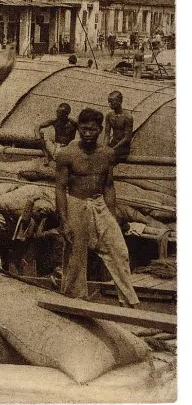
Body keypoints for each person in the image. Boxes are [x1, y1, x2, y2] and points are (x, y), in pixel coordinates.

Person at [55, 108, 139, 308]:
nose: (87, 133)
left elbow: (108, 186)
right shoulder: (66, 154)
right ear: (78, 128)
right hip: (76, 202)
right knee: (75, 254)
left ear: (100, 130)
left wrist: (113, 216)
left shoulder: (108, 154)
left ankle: (128, 301)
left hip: (99, 203)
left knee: (118, 250)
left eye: (92, 130)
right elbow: (60, 189)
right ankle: (74, 300)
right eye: (83, 129)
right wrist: (64, 221)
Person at [104, 91, 133, 163]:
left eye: (111, 101)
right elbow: (107, 134)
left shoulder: (127, 117)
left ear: (119, 101)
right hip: (113, 144)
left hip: (123, 147)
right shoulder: (109, 116)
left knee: (109, 158)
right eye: (109, 101)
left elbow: (127, 138)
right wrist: (104, 147)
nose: (109, 104)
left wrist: (112, 149)